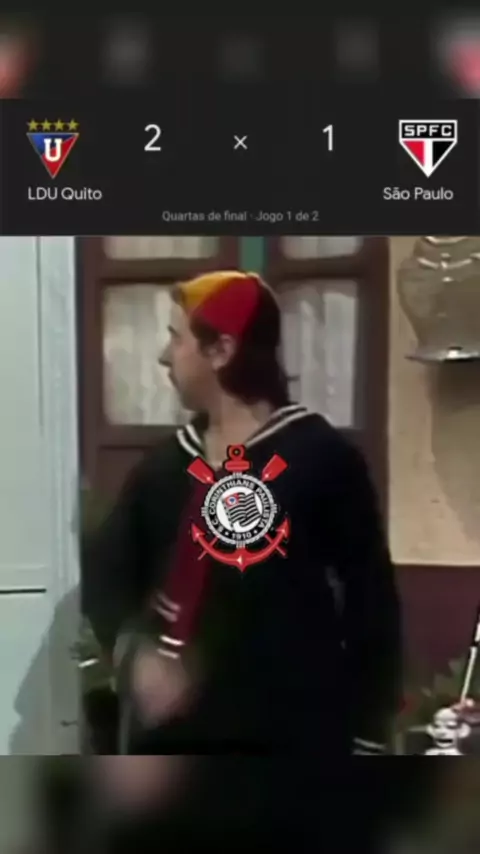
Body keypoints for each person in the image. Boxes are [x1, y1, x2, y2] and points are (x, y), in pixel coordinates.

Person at [83, 270, 402, 848]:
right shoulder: (164, 469)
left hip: (295, 757)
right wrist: (136, 656)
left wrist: (368, 741)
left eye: (177, 337)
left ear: (221, 350)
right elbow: (107, 576)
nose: (163, 356)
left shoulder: (322, 459)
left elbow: (371, 605)